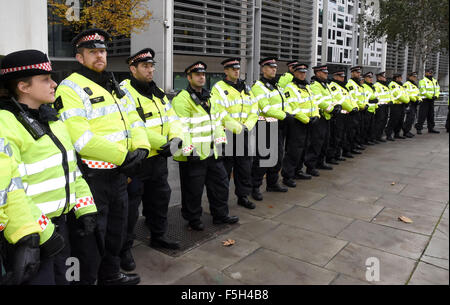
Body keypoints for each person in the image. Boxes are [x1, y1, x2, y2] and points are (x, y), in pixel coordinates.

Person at [55, 29, 150, 285]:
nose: (100, 55)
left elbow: (134, 119)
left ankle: (110, 276)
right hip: (93, 178)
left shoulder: (111, 83)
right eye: (92, 52)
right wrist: (125, 156)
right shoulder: (70, 87)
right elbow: (80, 138)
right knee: (89, 240)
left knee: (115, 233)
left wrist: (142, 147)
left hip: (119, 175)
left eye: (102, 50)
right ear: (80, 57)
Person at [0, 49, 97, 285]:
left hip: (60, 227)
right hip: (29, 234)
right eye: (45, 79)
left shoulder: (52, 119)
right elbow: (10, 190)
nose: (54, 84)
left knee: (66, 279)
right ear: (23, 86)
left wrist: (86, 208)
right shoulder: (6, 124)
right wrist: (40, 233)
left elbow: (72, 169)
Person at [118, 48, 187, 271]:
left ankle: (158, 235)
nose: (151, 70)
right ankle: (124, 249)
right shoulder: (123, 92)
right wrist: (163, 143)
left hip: (159, 159)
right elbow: (132, 125)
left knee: (159, 199)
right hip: (138, 159)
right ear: (133, 69)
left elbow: (173, 118)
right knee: (130, 208)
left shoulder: (156, 91)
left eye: (152, 66)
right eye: (145, 66)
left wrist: (176, 138)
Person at [172, 61, 241, 231]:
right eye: (197, 74)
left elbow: (217, 122)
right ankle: (193, 219)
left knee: (220, 185)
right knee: (193, 191)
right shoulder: (182, 99)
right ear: (189, 77)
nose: (201, 77)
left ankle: (220, 215)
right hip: (193, 155)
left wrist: (222, 143)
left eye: (203, 74)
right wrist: (189, 150)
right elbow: (182, 127)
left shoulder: (209, 97)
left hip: (212, 153)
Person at [211, 57, 259, 209]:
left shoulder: (246, 87)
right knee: (224, 171)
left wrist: (248, 126)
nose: (236, 71)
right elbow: (219, 112)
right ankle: (221, 202)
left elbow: (254, 108)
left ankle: (243, 196)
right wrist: (237, 127)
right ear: (226, 71)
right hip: (228, 135)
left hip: (244, 134)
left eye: (238, 68)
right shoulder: (218, 88)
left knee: (244, 168)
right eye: (233, 69)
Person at [251, 57, 291, 201]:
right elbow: (265, 108)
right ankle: (255, 187)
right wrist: (285, 116)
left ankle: (272, 183)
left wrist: (288, 114)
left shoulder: (276, 86)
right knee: (263, 159)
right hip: (265, 126)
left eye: (275, 67)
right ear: (263, 69)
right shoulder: (258, 87)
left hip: (278, 125)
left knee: (277, 157)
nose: (274, 69)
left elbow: (284, 103)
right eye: (270, 67)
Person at [281, 63, 321, 187]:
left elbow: (314, 103)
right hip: (298, 123)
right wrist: (307, 119)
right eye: (300, 72)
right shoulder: (290, 88)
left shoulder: (307, 87)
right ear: (295, 73)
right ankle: (287, 176)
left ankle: (298, 170)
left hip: (309, 122)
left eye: (304, 72)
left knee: (304, 148)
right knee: (294, 150)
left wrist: (316, 115)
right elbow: (293, 107)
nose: (303, 74)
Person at [307, 65, 336, 177]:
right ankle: (311, 166)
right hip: (320, 117)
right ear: (317, 73)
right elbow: (319, 101)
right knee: (316, 142)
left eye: (326, 72)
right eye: (324, 72)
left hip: (327, 116)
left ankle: (320, 162)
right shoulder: (315, 85)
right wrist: (332, 108)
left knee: (325, 141)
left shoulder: (325, 85)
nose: (326, 74)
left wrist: (336, 106)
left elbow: (331, 99)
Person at [328, 70, 355, 160]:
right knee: (336, 136)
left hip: (346, 114)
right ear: (335, 76)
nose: (342, 78)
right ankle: (331, 156)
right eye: (340, 76)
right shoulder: (333, 86)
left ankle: (338, 154)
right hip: (339, 115)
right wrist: (351, 108)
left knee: (343, 135)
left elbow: (350, 99)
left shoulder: (342, 87)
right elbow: (340, 100)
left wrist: (354, 107)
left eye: (343, 76)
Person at [346, 66, 368, 151]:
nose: (359, 74)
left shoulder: (358, 85)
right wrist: (361, 106)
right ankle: (350, 148)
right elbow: (352, 98)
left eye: (359, 72)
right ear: (352, 73)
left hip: (360, 110)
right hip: (354, 111)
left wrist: (365, 105)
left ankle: (356, 144)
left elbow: (363, 97)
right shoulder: (350, 84)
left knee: (358, 129)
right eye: (357, 72)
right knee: (352, 131)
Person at [416, 68, 441, 134]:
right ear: (426, 73)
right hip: (425, 100)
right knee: (422, 115)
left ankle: (431, 128)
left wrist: (436, 96)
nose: (431, 74)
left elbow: (438, 89)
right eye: (429, 72)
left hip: (432, 100)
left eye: (432, 72)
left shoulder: (434, 81)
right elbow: (423, 91)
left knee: (431, 115)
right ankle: (419, 128)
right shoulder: (422, 81)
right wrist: (430, 97)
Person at [386, 73, 409, 141]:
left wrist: (406, 100)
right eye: (400, 77)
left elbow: (405, 94)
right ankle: (389, 134)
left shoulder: (400, 85)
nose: (401, 79)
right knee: (393, 120)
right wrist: (406, 101)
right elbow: (397, 95)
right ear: (396, 78)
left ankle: (397, 134)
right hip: (395, 105)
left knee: (400, 120)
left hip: (401, 105)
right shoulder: (393, 84)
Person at [373, 72, 392, 142]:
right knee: (379, 122)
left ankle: (379, 136)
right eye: (383, 77)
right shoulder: (376, 85)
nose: (385, 78)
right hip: (380, 106)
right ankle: (376, 137)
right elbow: (375, 96)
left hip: (386, 106)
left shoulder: (385, 86)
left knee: (384, 121)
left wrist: (390, 101)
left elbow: (389, 95)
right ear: (379, 78)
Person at [402, 72, 422, 138]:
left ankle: (408, 130)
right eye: (413, 76)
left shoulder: (414, 85)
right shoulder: (406, 84)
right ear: (409, 77)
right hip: (410, 102)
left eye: (415, 77)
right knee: (409, 118)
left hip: (414, 103)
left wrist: (419, 99)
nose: (415, 78)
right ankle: (406, 131)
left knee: (412, 117)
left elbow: (418, 94)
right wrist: (415, 100)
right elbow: (407, 94)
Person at [361, 72, 379, 144]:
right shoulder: (364, 86)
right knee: (366, 127)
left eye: (371, 77)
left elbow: (375, 95)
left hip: (373, 109)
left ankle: (369, 139)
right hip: (367, 109)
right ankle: (365, 140)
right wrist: (374, 99)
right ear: (365, 78)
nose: (371, 79)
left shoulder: (371, 86)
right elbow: (369, 97)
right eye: (369, 77)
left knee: (371, 126)